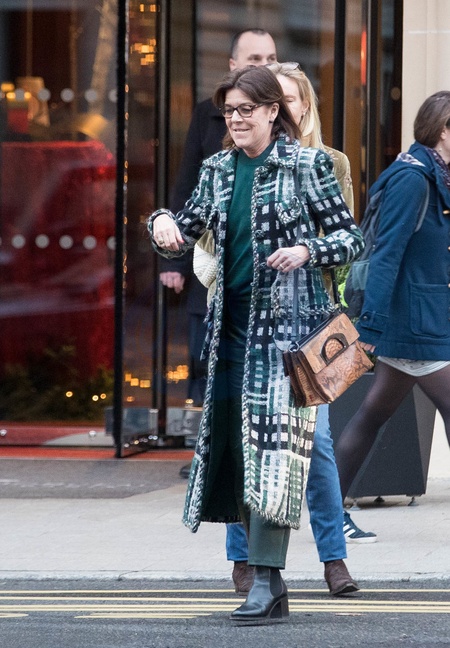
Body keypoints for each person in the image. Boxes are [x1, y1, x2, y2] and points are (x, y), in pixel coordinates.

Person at [148, 65, 364, 624]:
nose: (237, 120)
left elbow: (350, 238)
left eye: (247, 109)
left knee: (273, 455)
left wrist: (307, 251)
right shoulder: (218, 169)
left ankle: (266, 580)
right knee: (240, 453)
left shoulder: (307, 165)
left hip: (284, 339)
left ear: (273, 111)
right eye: (230, 111)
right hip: (230, 334)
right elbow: (184, 228)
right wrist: (163, 225)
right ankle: (267, 582)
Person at [334, 91, 450, 512]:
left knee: (371, 415)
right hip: (413, 323)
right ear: (444, 131)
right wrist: (372, 324)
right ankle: (328, 509)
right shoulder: (413, 180)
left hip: (426, 317)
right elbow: (386, 255)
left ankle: (328, 507)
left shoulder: (438, 177)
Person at [159, 29, 277, 408]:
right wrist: (172, 255)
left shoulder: (293, 145)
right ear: (233, 64)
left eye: (270, 58)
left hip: (272, 286)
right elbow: (187, 184)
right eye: (255, 59)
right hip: (212, 257)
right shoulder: (208, 121)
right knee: (208, 369)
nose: (264, 65)